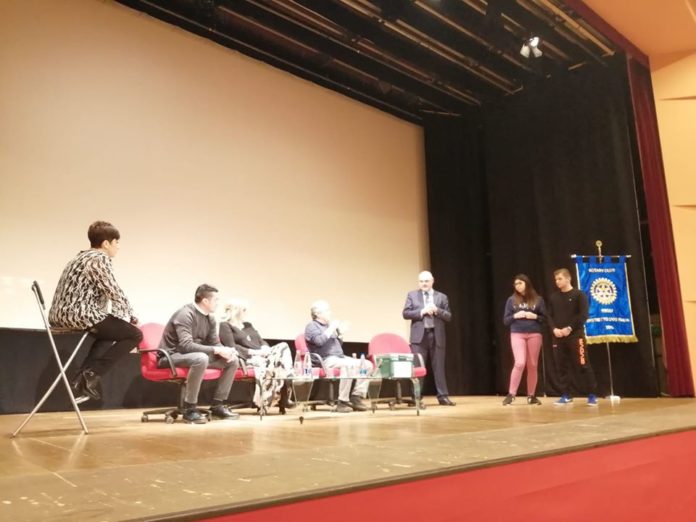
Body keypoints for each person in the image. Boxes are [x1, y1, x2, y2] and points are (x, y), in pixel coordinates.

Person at [49, 221, 143, 404]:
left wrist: (119, 316)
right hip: (79, 313)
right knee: (135, 334)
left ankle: (84, 377)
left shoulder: (79, 257)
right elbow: (113, 289)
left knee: (109, 334)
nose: (118, 247)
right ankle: (91, 374)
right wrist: (131, 317)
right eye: (116, 242)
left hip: (64, 314)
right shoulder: (99, 258)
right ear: (106, 243)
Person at [159, 284, 240, 424]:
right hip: (171, 356)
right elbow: (186, 345)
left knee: (232, 360)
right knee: (201, 358)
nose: (218, 303)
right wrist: (216, 350)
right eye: (216, 300)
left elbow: (214, 343)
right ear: (205, 301)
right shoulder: (185, 314)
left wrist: (226, 351)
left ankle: (217, 405)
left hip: (193, 356)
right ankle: (189, 408)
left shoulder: (210, 318)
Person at [219, 298, 295, 412]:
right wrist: (254, 352)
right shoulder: (225, 326)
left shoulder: (248, 325)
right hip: (248, 358)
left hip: (264, 355)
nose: (246, 313)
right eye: (244, 310)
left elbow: (260, 340)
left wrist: (265, 347)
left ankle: (270, 398)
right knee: (279, 362)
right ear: (236, 311)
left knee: (283, 348)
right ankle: (285, 392)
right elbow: (231, 346)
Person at [304, 300, 371, 413]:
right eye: (327, 310)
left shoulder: (328, 326)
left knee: (367, 365)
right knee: (348, 365)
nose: (330, 312)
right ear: (318, 313)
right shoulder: (311, 326)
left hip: (339, 357)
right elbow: (319, 341)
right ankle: (342, 402)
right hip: (325, 359)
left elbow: (337, 345)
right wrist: (331, 329)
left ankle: (356, 396)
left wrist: (340, 333)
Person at [402, 271, 454, 406]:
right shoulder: (412, 295)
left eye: (426, 281)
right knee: (417, 367)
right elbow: (405, 313)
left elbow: (448, 316)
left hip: (437, 335)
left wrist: (437, 310)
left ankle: (443, 396)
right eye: (421, 281)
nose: (424, 284)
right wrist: (422, 311)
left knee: (439, 368)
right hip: (419, 337)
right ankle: (416, 397)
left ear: (432, 281)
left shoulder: (441, 297)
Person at [547, 268, 598, 406]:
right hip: (558, 337)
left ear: (568, 279)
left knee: (583, 364)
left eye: (560, 279)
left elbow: (583, 315)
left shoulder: (579, 295)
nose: (557, 282)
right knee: (561, 366)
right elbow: (549, 316)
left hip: (576, 337)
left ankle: (592, 395)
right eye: (556, 279)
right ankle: (566, 395)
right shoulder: (553, 297)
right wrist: (554, 329)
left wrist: (569, 328)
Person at [502, 274, 546, 406]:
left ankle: (531, 396)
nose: (518, 286)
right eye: (516, 284)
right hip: (517, 333)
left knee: (532, 365)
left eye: (520, 283)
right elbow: (506, 320)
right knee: (520, 363)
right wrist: (515, 316)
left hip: (534, 334)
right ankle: (511, 394)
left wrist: (535, 316)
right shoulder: (511, 300)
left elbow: (545, 318)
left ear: (526, 283)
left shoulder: (538, 300)